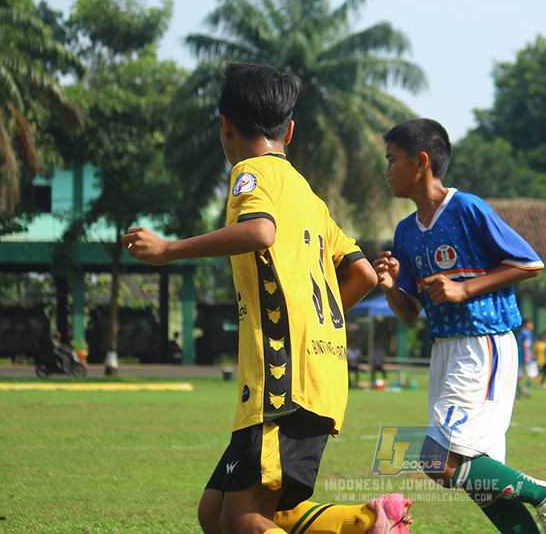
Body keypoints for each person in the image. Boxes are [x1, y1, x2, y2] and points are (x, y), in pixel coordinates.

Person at [123, 63, 410, 534]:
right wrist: (314, 324)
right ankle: (366, 522)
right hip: (317, 375)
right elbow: (362, 274)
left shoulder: (250, 173)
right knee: (215, 512)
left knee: (242, 519)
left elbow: (259, 231)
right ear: (289, 131)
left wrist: (169, 249)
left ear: (225, 126)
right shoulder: (309, 197)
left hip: (282, 379)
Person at [373, 118, 546, 534]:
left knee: (438, 459)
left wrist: (464, 289)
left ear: (421, 162)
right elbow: (410, 312)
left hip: (483, 344)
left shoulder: (467, 208)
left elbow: (529, 263)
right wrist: (392, 287)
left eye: (392, 159)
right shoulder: (406, 232)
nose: (387, 169)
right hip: (445, 349)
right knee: (480, 479)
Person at [517, 318, 538, 397]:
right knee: (533, 374)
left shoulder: (520, 333)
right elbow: (526, 345)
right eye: (530, 324)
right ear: (526, 324)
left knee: (519, 375)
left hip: (520, 357)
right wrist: (528, 356)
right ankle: (525, 389)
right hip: (527, 358)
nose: (532, 325)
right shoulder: (527, 333)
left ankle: (519, 390)